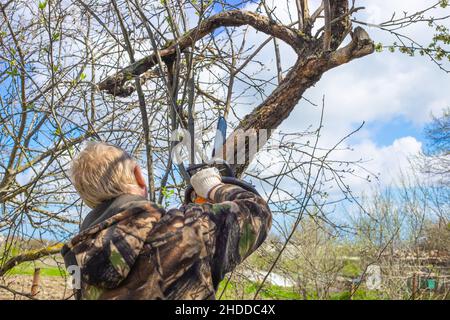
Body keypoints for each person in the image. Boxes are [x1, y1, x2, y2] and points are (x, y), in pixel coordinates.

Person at [61, 141, 272, 299]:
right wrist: (213, 187)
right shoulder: (183, 229)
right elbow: (257, 212)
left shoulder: (81, 261)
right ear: (138, 175)